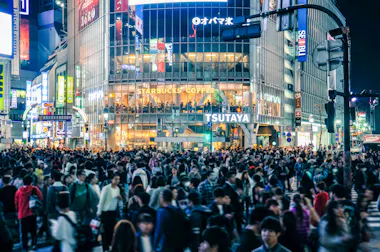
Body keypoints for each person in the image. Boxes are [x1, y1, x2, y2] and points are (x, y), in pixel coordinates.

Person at [15, 175, 43, 251]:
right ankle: (34, 244)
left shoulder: (18, 192)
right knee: (33, 231)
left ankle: (24, 247)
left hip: (22, 215)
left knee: (24, 233)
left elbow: (16, 204)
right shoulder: (34, 189)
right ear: (31, 182)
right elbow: (41, 197)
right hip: (32, 213)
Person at [97, 173, 121, 252]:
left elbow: (118, 203)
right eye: (115, 179)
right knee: (105, 231)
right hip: (105, 212)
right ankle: (105, 248)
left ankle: (111, 246)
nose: (117, 181)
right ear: (112, 179)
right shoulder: (106, 188)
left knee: (112, 230)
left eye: (118, 179)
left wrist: (119, 199)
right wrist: (99, 212)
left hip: (113, 212)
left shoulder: (118, 189)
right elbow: (102, 200)